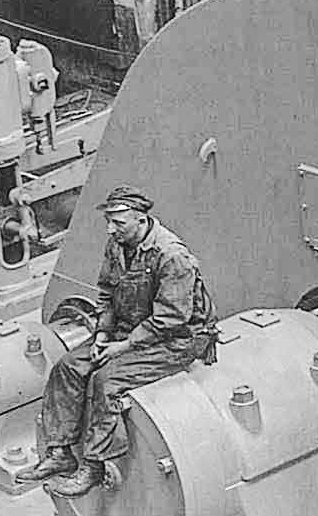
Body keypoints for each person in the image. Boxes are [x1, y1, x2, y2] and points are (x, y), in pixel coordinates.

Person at [35, 189, 216, 495]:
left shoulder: (172, 256)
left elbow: (172, 318)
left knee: (107, 380)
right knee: (68, 367)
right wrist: (104, 334)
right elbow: (106, 292)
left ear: (140, 219)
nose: (110, 229)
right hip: (128, 331)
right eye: (108, 221)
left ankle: (93, 466)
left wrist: (124, 346)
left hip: (177, 341)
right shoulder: (118, 245)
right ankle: (60, 452)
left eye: (117, 222)